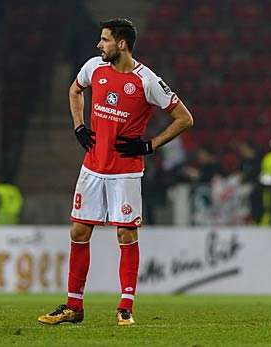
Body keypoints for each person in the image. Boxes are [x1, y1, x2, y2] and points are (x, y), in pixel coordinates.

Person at [38, 18, 193, 326]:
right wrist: (78, 126)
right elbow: (74, 91)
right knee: (79, 231)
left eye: (105, 40)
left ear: (121, 44)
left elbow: (184, 118)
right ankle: (73, 306)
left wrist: (150, 146)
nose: (100, 45)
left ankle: (125, 306)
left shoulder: (147, 80)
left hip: (125, 171)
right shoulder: (94, 67)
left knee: (125, 233)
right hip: (93, 167)